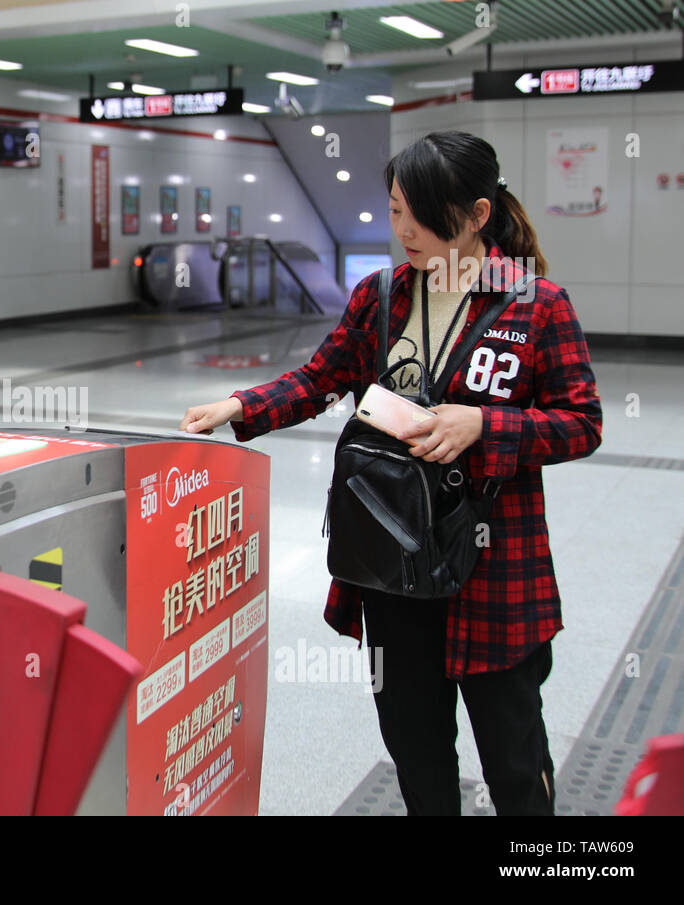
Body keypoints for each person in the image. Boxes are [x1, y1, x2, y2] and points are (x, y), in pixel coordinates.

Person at [179, 130, 602, 816]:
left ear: (476, 216)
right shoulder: (380, 296)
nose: (403, 230)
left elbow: (582, 421)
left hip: (496, 572)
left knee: (516, 766)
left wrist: (486, 426)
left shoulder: (535, 305)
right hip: (393, 567)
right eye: (396, 210)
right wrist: (239, 404)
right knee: (418, 757)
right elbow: (322, 378)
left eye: (421, 214)